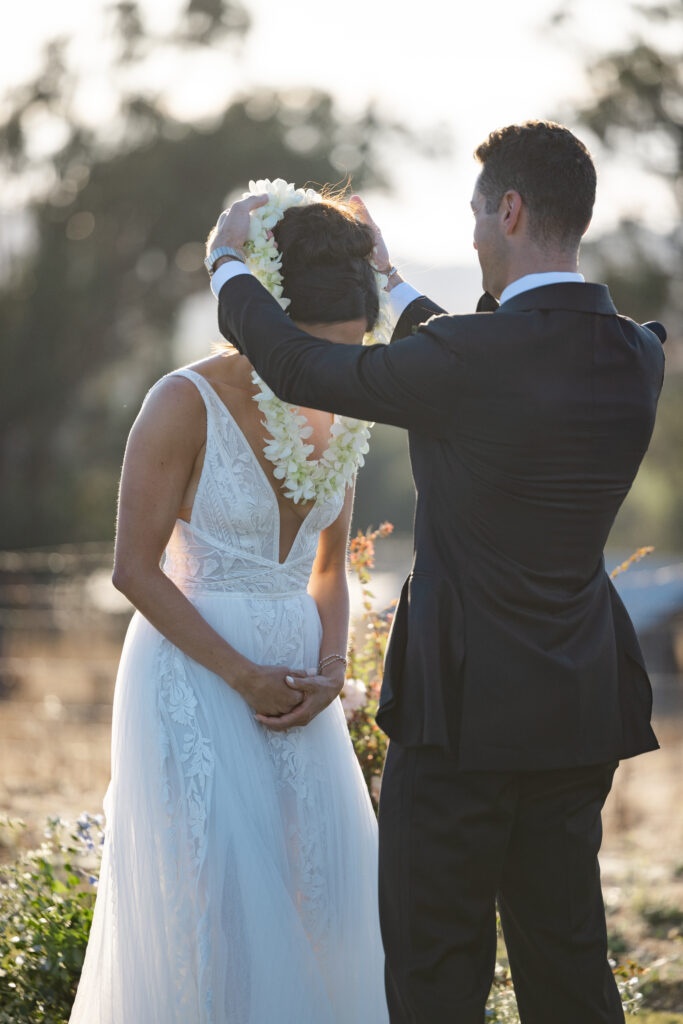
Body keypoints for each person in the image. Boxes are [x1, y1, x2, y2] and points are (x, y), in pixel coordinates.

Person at [206, 120, 666, 1024]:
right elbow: (495, 361)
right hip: (577, 708)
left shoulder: (470, 359)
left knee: (434, 967)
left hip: (459, 717)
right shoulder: (637, 355)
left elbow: (303, 365)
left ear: (509, 208)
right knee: (568, 961)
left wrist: (229, 267)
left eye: (473, 214)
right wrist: (391, 280)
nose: (470, 236)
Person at [68, 198, 390, 1023]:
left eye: (352, 349)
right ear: (272, 321)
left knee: (321, 891)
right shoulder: (181, 402)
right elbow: (134, 569)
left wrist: (328, 672)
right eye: (321, 349)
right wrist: (242, 674)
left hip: (302, 688)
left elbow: (327, 569)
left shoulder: (345, 406)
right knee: (213, 901)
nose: (336, 368)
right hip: (196, 674)